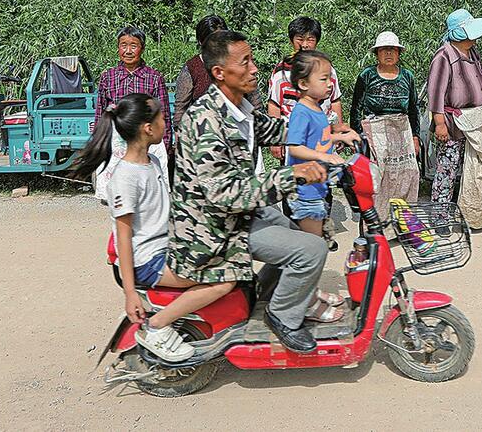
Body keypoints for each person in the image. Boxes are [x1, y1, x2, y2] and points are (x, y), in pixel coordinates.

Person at [168, 30, 335, 355]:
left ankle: (263, 294)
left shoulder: (238, 108)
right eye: (245, 62)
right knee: (312, 250)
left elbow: (278, 130)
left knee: (296, 233)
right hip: (215, 229)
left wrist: (329, 131)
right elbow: (225, 193)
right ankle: (283, 316)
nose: (254, 69)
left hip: (237, 215)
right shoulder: (205, 120)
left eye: (252, 60)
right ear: (220, 73)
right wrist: (292, 174)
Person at [72, 93, 235, 363]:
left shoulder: (154, 162)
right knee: (225, 279)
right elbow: (123, 237)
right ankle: (158, 326)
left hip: (168, 247)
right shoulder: (125, 178)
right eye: (161, 117)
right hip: (150, 261)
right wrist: (130, 292)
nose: (165, 122)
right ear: (148, 128)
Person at [286, 51, 361, 320]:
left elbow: (321, 136)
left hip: (318, 189)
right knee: (312, 250)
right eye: (324, 78)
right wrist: (323, 156)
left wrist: (342, 134)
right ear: (304, 84)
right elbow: (295, 146)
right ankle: (306, 303)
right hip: (304, 192)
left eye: (330, 78)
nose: (330, 84)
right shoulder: (301, 112)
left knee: (315, 247)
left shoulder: (318, 109)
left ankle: (312, 292)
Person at [93, 26, 171, 201]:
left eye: (133, 46)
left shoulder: (154, 77)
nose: (128, 51)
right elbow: (101, 113)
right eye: (123, 45)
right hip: (116, 145)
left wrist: (165, 146)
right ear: (118, 47)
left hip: (146, 143)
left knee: (147, 194)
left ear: (142, 48)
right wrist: (98, 141)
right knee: (117, 196)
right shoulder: (108, 77)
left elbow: (163, 114)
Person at [350, 31, 421, 216]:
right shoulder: (367, 75)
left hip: (402, 131)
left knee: (407, 175)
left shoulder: (407, 76)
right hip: (375, 132)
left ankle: (403, 222)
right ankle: (377, 223)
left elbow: (413, 108)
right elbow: (356, 108)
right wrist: (358, 138)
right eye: (384, 50)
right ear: (377, 53)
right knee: (377, 178)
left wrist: (415, 136)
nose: (388, 53)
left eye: (392, 50)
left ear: (399, 53)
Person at [427, 9, 482, 206]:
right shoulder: (444, 56)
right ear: (459, 33)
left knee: (473, 170)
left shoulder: (472, 52)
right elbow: (436, 92)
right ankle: (440, 216)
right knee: (447, 170)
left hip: (475, 122)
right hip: (452, 124)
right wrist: (439, 124)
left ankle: (471, 213)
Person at [268, 16, 346, 161]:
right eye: (300, 39)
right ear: (292, 40)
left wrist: (339, 130)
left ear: (316, 41)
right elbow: (274, 105)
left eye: (310, 39)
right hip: (294, 135)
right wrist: (275, 140)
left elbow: (335, 100)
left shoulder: (327, 69)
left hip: (323, 134)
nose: (304, 44)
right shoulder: (282, 71)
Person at [172, 14, 228, 130]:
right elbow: (181, 108)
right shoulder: (192, 68)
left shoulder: (236, 63)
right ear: (201, 42)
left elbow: (254, 101)